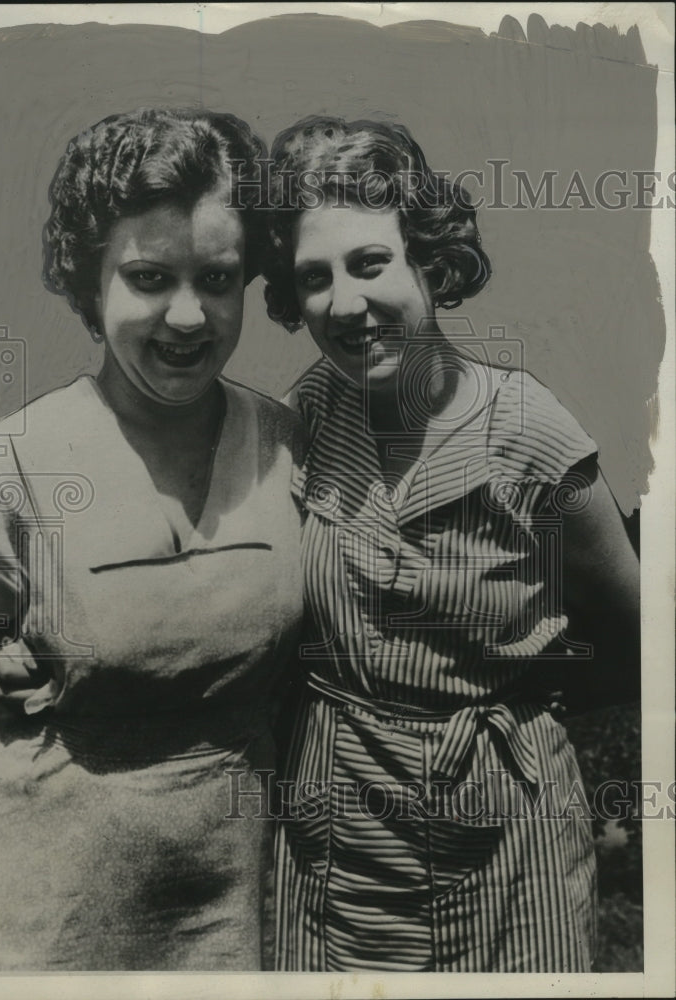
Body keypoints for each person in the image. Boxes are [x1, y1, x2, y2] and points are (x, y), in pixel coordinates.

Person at [261, 116, 640, 973]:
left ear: (429, 261)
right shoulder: (306, 418)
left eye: (369, 263)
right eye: (313, 278)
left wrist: (515, 702)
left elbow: (638, 629)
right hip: (336, 822)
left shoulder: (530, 433)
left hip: (508, 828)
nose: (344, 304)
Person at [0, 107, 304, 971]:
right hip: (47, 920)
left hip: (234, 911)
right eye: (149, 278)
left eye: (218, 280)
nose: (188, 317)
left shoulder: (291, 444)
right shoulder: (14, 462)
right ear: (91, 282)